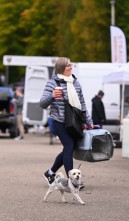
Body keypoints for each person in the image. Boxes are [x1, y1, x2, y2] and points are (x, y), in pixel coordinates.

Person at [40, 57, 93, 189]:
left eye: (71, 65)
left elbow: (82, 104)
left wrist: (89, 121)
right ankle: (72, 183)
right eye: (68, 65)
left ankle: (50, 173)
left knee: (69, 148)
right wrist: (52, 96)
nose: (71, 67)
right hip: (59, 121)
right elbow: (42, 104)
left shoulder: (76, 83)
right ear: (61, 67)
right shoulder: (52, 83)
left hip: (74, 122)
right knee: (69, 146)